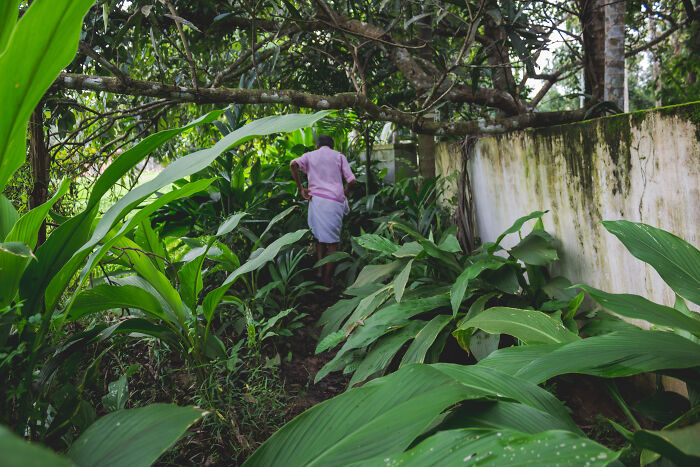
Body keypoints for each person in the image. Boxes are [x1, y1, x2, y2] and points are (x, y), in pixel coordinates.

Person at [290, 134, 355, 287]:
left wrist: (301, 188)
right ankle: (327, 278)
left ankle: (319, 269)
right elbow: (352, 179)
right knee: (332, 242)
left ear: (317, 146)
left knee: (319, 236)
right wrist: (346, 190)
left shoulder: (310, 155)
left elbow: (293, 164)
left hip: (317, 202)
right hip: (334, 202)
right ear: (332, 146)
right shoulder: (339, 156)